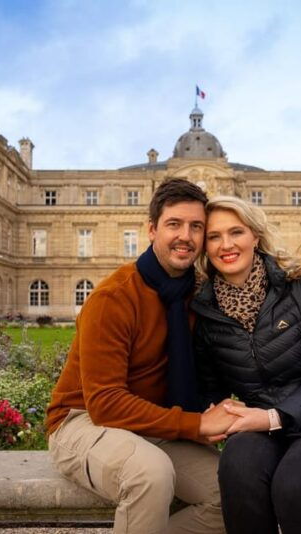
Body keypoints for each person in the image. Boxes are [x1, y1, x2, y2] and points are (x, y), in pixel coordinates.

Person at [45, 179, 235, 534]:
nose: (186, 236)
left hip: (151, 422)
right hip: (82, 420)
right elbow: (104, 403)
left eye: (196, 227)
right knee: (150, 473)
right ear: (151, 230)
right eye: (174, 224)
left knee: (235, 492)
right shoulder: (114, 297)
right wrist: (195, 425)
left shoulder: (199, 295)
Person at [191, 195, 301, 534]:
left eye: (236, 232)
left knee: (296, 487)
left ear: (255, 237)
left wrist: (274, 417)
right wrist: (212, 413)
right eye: (214, 237)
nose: (226, 245)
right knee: (237, 470)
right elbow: (211, 388)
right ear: (204, 246)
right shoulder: (204, 310)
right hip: (261, 426)